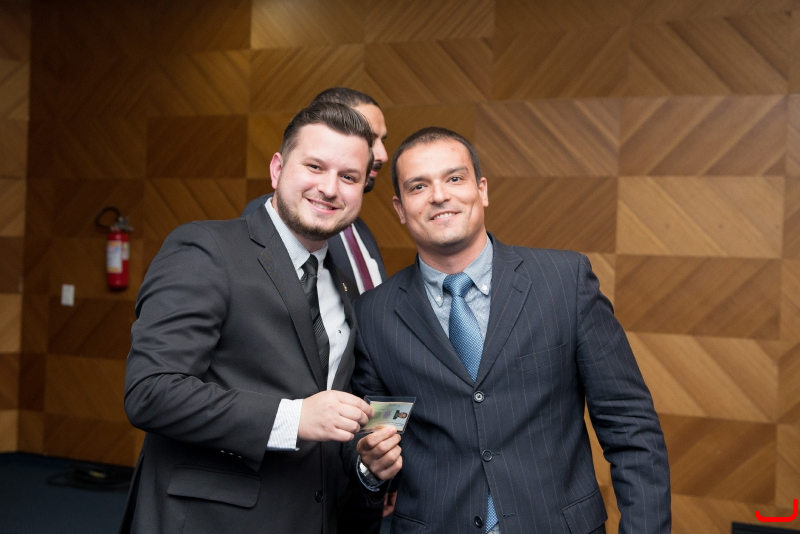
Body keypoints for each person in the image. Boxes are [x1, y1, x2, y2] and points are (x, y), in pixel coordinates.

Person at [351, 127, 671, 533]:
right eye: (419, 186)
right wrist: (369, 468)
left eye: (454, 178)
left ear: (481, 190)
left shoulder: (564, 282)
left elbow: (631, 428)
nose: (439, 195)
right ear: (400, 208)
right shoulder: (374, 315)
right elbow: (373, 447)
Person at [119, 101, 400, 534]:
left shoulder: (343, 287)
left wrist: (366, 462)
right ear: (277, 169)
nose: (329, 188)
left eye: (348, 177)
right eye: (315, 167)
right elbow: (150, 392)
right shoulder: (207, 248)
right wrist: (293, 418)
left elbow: (329, 416)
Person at [243, 87, 389, 294]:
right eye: (370, 139)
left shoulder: (356, 225)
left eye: (382, 140)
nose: (382, 155)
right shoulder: (272, 217)